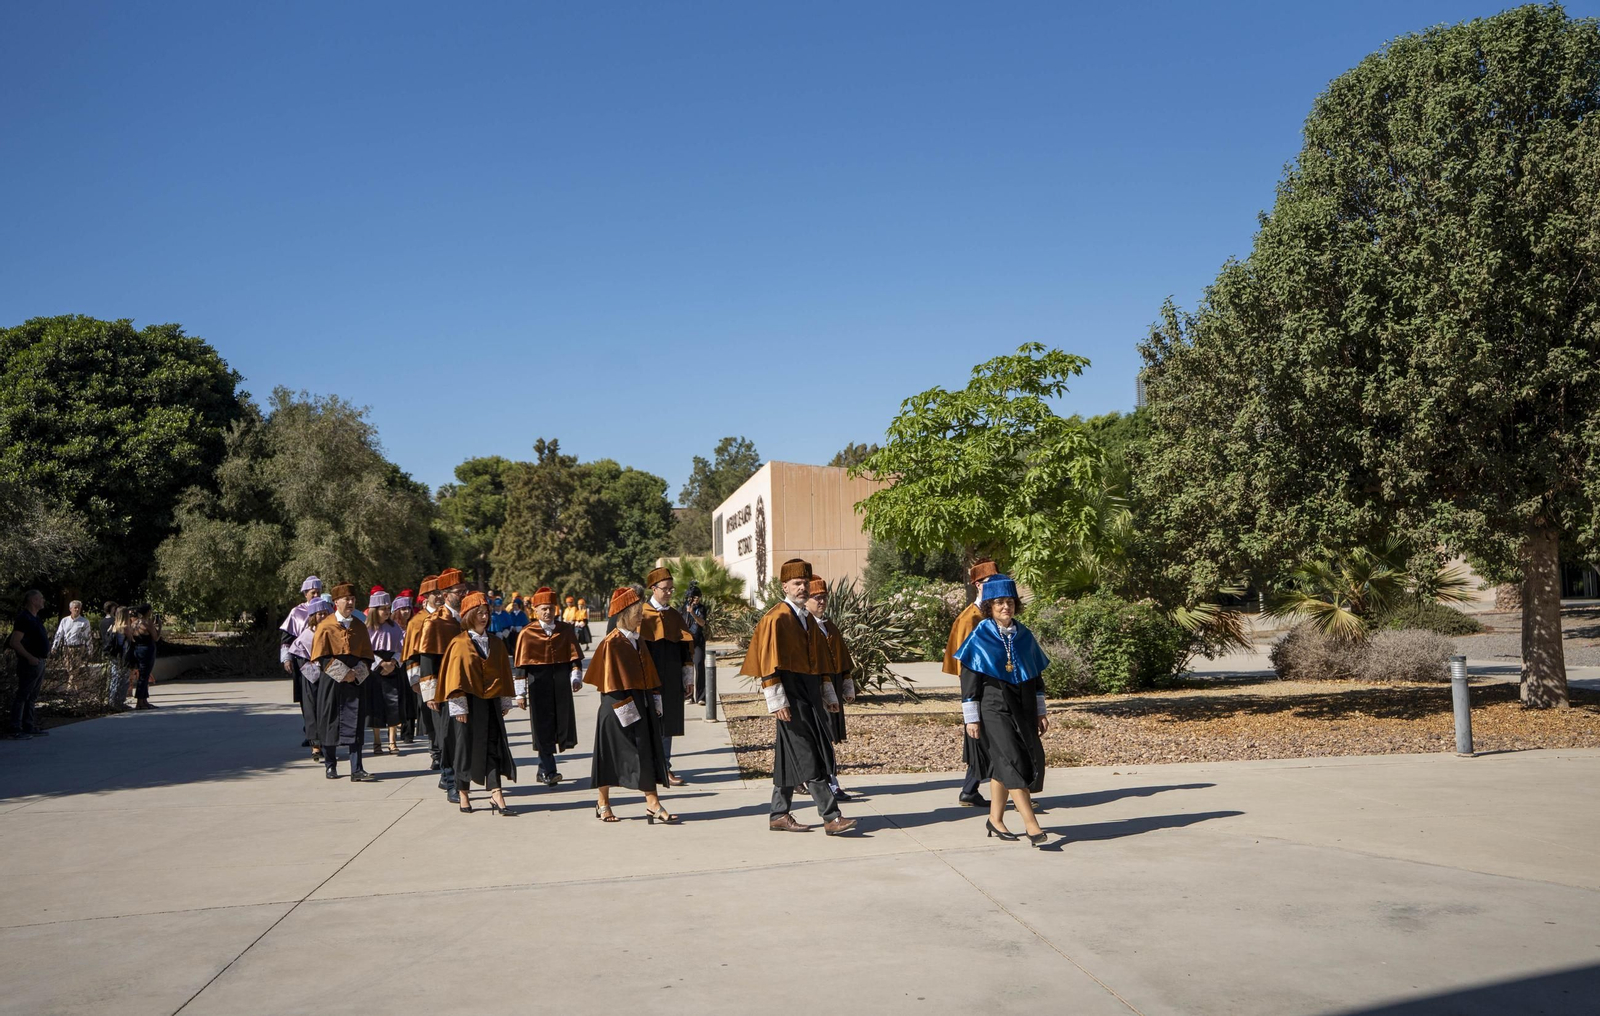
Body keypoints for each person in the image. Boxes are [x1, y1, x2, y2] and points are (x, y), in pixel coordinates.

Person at [740, 560, 855, 835]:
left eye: (805, 583)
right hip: (789, 695)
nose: (802, 588)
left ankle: (778, 813)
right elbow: (768, 663)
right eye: (796, 584)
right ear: (785, 587)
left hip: (808, 693)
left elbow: (820, 662)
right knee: (808, 753)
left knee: (790, 753)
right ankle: (831, 816)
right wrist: (777, 701)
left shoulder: (807, 619)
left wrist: (828, 693)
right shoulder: (776, 618)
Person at [954, 574, 1050, 846]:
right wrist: (971, 719)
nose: (1005, 607)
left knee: (1004, 764)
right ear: (989, 607)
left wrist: (1040, 711)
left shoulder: (1024, 635)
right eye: (999, 603)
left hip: (1024, 705)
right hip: (993, 706)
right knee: (1012, 762)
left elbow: (1036, 678)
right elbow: (969, 682)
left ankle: (995, 819)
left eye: (1009, 602)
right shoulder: (979, 636)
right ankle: (1032, 826)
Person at [586, 586, 676, 824]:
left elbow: (648, 675)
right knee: (609, 757)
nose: (641, 615)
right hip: (617, 707)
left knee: (644, 753)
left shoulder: (638, 641)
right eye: (637, 611)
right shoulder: (611, 643)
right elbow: (609, 685)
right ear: (624, 613)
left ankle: (652, 804)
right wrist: (627, 713)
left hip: (639, 704)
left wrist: (654, 701)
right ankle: (603, 802)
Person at [436, 590, 519, 815]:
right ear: (469, 615)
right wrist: (458, 705)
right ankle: (463, 792)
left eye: (486, 612)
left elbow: (503, 671)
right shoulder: (459, 643)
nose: (484, 617)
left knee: (493, 745)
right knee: (464, 747)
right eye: (479, 613)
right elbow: (454, 675)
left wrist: (504, 700)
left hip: (490, 702)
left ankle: (496, 794)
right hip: (467, 704)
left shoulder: (496, 642)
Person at [513, 587, 582, 786]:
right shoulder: (527, 633)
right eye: (543, 609)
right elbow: (521, 667)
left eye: (550, 608)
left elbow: (575, 658)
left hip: (561, 685)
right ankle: (548, 770)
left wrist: (576, 677)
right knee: (542, 727)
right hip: (538, 685)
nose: (547, 612)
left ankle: (544, 769)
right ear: (535, 611)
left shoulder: (565, 630)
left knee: (560, 725)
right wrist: (520, 694)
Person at [945, 557, 1000, 808]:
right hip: (980, 688)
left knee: (990, 739)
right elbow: (966, 664)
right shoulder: (971, 618)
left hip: (997, 684)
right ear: (977, 584)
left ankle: (970, 789)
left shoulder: (993, 612)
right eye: (988, 582)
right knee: (985, 737)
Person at [310, 584, 376, 781]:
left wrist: (357, 672)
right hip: (332, 681)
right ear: (336, 602)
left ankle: (357, 768)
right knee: (330, 721)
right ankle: (331, 765)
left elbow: (367, 656)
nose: (350, 603)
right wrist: (342, 673)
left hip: (355, 680)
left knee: (355, 722)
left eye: (352, 599)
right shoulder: (326, 626)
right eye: (346, 599)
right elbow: (321, 658)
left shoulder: (359, 625)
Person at [640, 566, 695, 786]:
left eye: (672, 589)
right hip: (648, 678)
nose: (670, 592)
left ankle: (664, 767)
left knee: (667, 725)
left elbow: (684, 649)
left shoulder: (674, 615)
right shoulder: (641, 614)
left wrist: (688, 678)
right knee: (648, 724)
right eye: (666, 589)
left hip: (671, 679)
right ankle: (648, 768)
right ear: (654, 589)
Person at [415, 568, 466, 802]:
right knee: (448, 736)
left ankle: (459, 780)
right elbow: (427, 661)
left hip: (468, 687)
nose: (464, 595)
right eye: (459, 592)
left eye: (465, 591)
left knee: (464, 736)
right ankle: (450, 781)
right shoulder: (434, 622)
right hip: (444, 690)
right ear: (446, 594)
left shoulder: (469, 618)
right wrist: (430, 694)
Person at [805, 576, 857, 801]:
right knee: (820, 737)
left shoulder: (829, 627)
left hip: (832, 688)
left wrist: (846, 685)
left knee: (827, 736)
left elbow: (843, 660)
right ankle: (830, 782)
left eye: (824, 597)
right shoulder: (804, 628)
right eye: (816, 597)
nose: (821, 601)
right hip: (814, 691)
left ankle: (813, 778)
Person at [286, 599, 333, 760]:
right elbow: (300, 659)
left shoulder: (330, 632)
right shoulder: (305, 636)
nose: (322, 616)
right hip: (311, 680)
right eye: (319, 614)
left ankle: (328, 744)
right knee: (312, 711)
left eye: (325, 614)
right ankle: (315, 746)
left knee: (327, 711)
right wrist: (317, 671)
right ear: (312, 616)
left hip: (328, 678)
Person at [402, 576, 439, 761]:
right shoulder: (417, 621)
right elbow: (410, 653)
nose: (439, 596)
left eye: (441, 592)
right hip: (426, 675)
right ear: (425, 596)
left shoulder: (448, 617)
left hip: (447, 673)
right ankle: (435, 753)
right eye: (434, 593)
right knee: (430, 714)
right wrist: (415, 679)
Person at [365, 589, 406, 756]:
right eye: (384, 609)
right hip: (374, 670)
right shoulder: (366, 628)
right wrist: (380, 663)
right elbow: (365, 651)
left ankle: (392, 741)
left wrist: (393, 662)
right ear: (375, 610)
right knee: (375, 706)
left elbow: (403, 648)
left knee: (393, 705)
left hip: (392, 669)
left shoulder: (394, 627)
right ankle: (376, 741)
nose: (387, 612)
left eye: (389, 609)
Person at [8, 590, 50, 738]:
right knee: (23, 695)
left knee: (32, 696)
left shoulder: (36, 618)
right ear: (33, 600)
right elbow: (15, 642)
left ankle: (28, 725)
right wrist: (29, 657)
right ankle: (15, 728)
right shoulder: (24, 618)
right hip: (30, 662)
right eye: (40, 598)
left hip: (39, 661)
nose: (43, 600)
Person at [50, 600, 93, 692]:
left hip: (79, 647)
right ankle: (77, 687)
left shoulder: (84, 622)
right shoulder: (64, 621)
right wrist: (55, 646)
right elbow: (59, 634)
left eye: (79, 608)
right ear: (70, 609)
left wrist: (90, 649)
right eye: (75, 608)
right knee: (69, 667)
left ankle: (69, 688)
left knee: (75, 668)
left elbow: (88, 636)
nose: (77, 610)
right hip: (67, 647)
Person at [128, 606, 161, 710]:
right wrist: (159, 627)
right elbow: (156, 637)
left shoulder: (133, 624)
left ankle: (144, 700)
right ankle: (140, 702)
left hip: (137, 650)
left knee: (144, 675)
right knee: (144, 676)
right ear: (148, 612)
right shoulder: (147, 623)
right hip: (147, 650)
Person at [681, 583, 708, 704]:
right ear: (690, 597)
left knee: (699, 666)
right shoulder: (682, 608)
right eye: (695, 597)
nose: (697, 600)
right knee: (687, 668)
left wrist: (692, 613)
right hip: (686, 642)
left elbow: (702, 623)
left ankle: (701, 696)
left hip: (698, 641)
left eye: (699, 597)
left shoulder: (701, 608)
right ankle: (688, 696)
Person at [103, 607, 133, 710]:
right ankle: (120, 701)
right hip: (123, 656)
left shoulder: (113, 626)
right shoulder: (126, 628)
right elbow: (131, 641)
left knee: (114, 678)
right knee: (124, 679)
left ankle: (112, 701)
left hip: (114, 655)